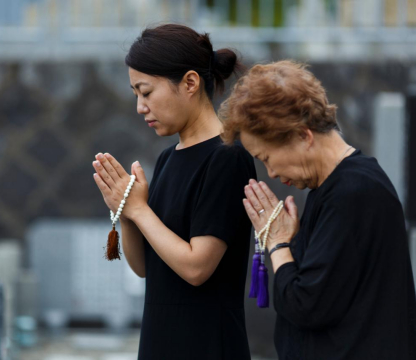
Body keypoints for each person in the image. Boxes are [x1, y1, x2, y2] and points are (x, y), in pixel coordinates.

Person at [220, 60, 416, 360]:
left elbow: (305, 305)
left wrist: (278, 243)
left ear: (303, 136)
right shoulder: (341, 186)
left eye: (267, 157)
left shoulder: (352, 193)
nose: (270, 173)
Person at [92, 24, 256, 360]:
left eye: (147, 92)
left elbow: (197, 268)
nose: (140, 107)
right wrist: (126, 213)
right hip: (159, 342)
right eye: (136, 94)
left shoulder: (227, 158)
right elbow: (144, 268)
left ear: (190, 83)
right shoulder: (169, 158)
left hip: (207, 345)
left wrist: (140, 210)